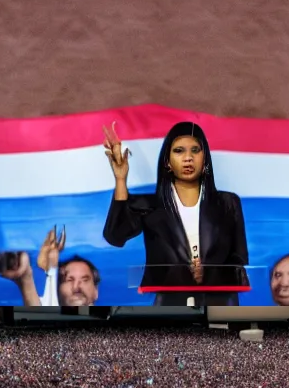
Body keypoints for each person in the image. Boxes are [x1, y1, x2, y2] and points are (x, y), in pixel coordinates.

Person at [102, 120, 249, 305]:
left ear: (205, 159)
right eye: (179, 151)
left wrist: (210, 271)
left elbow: (239, 259)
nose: (188, 158)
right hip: (171, 308)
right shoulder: (150, 205)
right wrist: (121, 180)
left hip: (220, 306)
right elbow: (115, 236)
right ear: (168, 162)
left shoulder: (228, 203)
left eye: (195, 150)